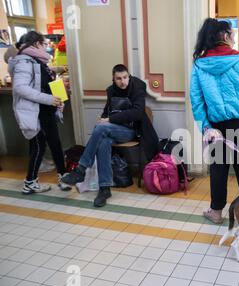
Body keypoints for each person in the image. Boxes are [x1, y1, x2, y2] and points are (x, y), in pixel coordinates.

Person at [190, 18, 239, 224]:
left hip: (216, 126)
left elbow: (197, 101)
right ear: (224, 36)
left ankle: (216, 212)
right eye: (231, 34)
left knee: (218, 170)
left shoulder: (200, 64)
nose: (233, 37)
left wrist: (205, 126)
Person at [61, 64, 159, 207]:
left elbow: (138, 113)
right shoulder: (111, 90)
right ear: (113, 79)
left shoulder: (137, 86)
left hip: (131, 131)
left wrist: (109, 121)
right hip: (112, 130)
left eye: (125, 77)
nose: (123, 81)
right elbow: (106, 111)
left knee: (101, 129)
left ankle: (81, 170)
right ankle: (105, 188)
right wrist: (104, 119)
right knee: (104, 141)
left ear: (129, 76)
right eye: (119, 79)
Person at [9, 31, 72, 194]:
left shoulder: (36, 60)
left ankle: (62, 176)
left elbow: (42, 82)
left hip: (45, 111)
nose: (46, 47)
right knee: (39, 146)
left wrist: (57, 101)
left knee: (54, 144)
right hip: (36, 112)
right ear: (36, 44)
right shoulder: (25, 61)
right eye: (44, 44)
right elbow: (20, 87)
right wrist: (48, 99)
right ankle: (30, 182)